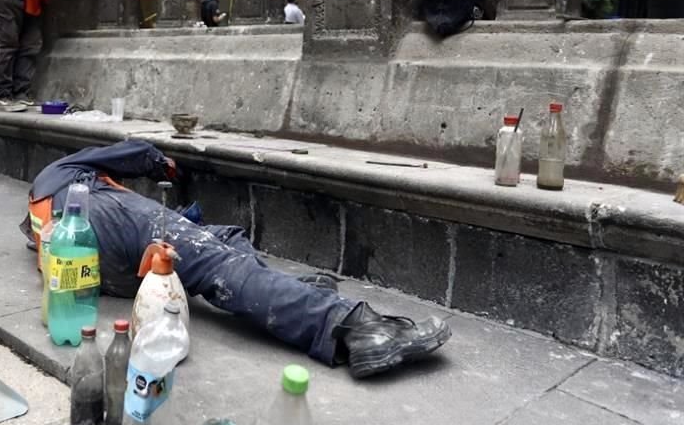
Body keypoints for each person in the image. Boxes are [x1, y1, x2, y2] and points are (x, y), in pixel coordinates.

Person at [23, 139, 452, 379]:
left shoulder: (39, 213)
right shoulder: (71, 171)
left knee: (222, 241)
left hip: (98, 273)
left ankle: (293, 294)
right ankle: (354, 328)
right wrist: (164, 166)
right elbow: (131, 151)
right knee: (217, 264)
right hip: (99, 216)